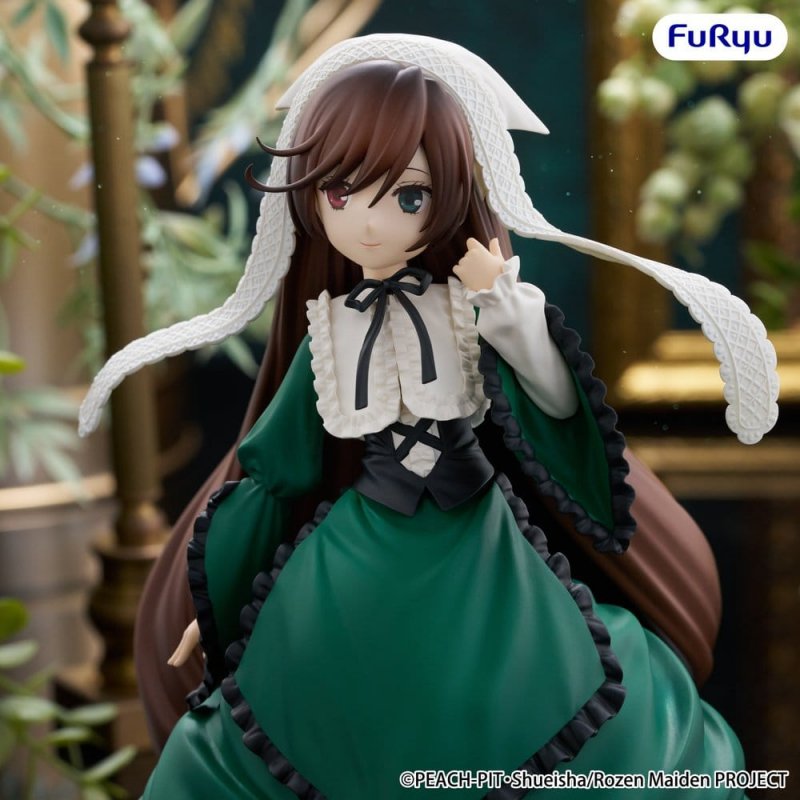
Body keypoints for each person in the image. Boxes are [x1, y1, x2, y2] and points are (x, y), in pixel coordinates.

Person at [80, 35, 777, 799]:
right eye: (341, 193)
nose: (370, 223)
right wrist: (217, 604)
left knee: (552, 692)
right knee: (309, 708)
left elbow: (552, 401)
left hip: (479, 539)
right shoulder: (328, 333)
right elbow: (276, 473)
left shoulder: (471, 312)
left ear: (450, 197)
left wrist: (502, 303)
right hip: (358, 548)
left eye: (408, 196)